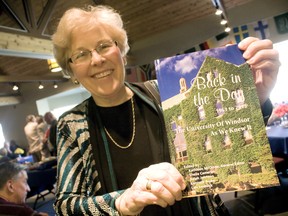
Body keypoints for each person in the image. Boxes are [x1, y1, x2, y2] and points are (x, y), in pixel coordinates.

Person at [51, 5, 280, 216]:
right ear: (70, 69)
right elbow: (64, 205)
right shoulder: (71, 124)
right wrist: (122, 202)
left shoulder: (164, 92)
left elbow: (226, 134)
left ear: (121, 50)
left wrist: (255, 98)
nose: (97, 59)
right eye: (81, 54)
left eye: (104, 46)